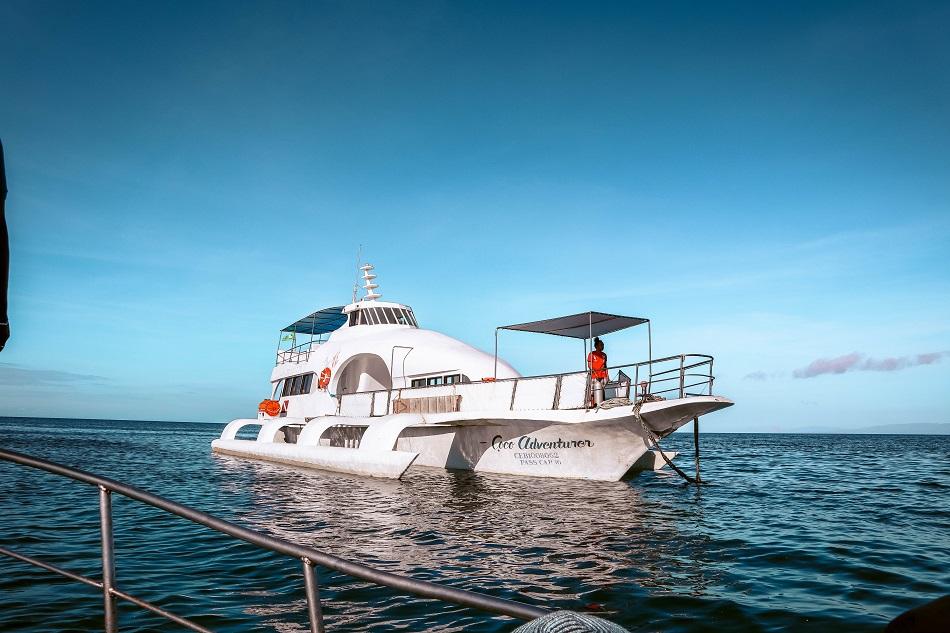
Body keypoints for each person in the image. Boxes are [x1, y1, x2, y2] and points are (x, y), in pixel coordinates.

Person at [587, 337, 609, 405]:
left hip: (603, 376)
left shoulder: (604, 355)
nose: (602, 346)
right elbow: (589, 365)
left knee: (602, 391)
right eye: (601, 345)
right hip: (594, 376)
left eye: (603, 345)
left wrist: (607, 375)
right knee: (593, 392)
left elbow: (605, 366)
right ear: (596, 346)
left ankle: (603, 404)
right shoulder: (591, 354)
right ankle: (593, 405)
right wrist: (594, 373)